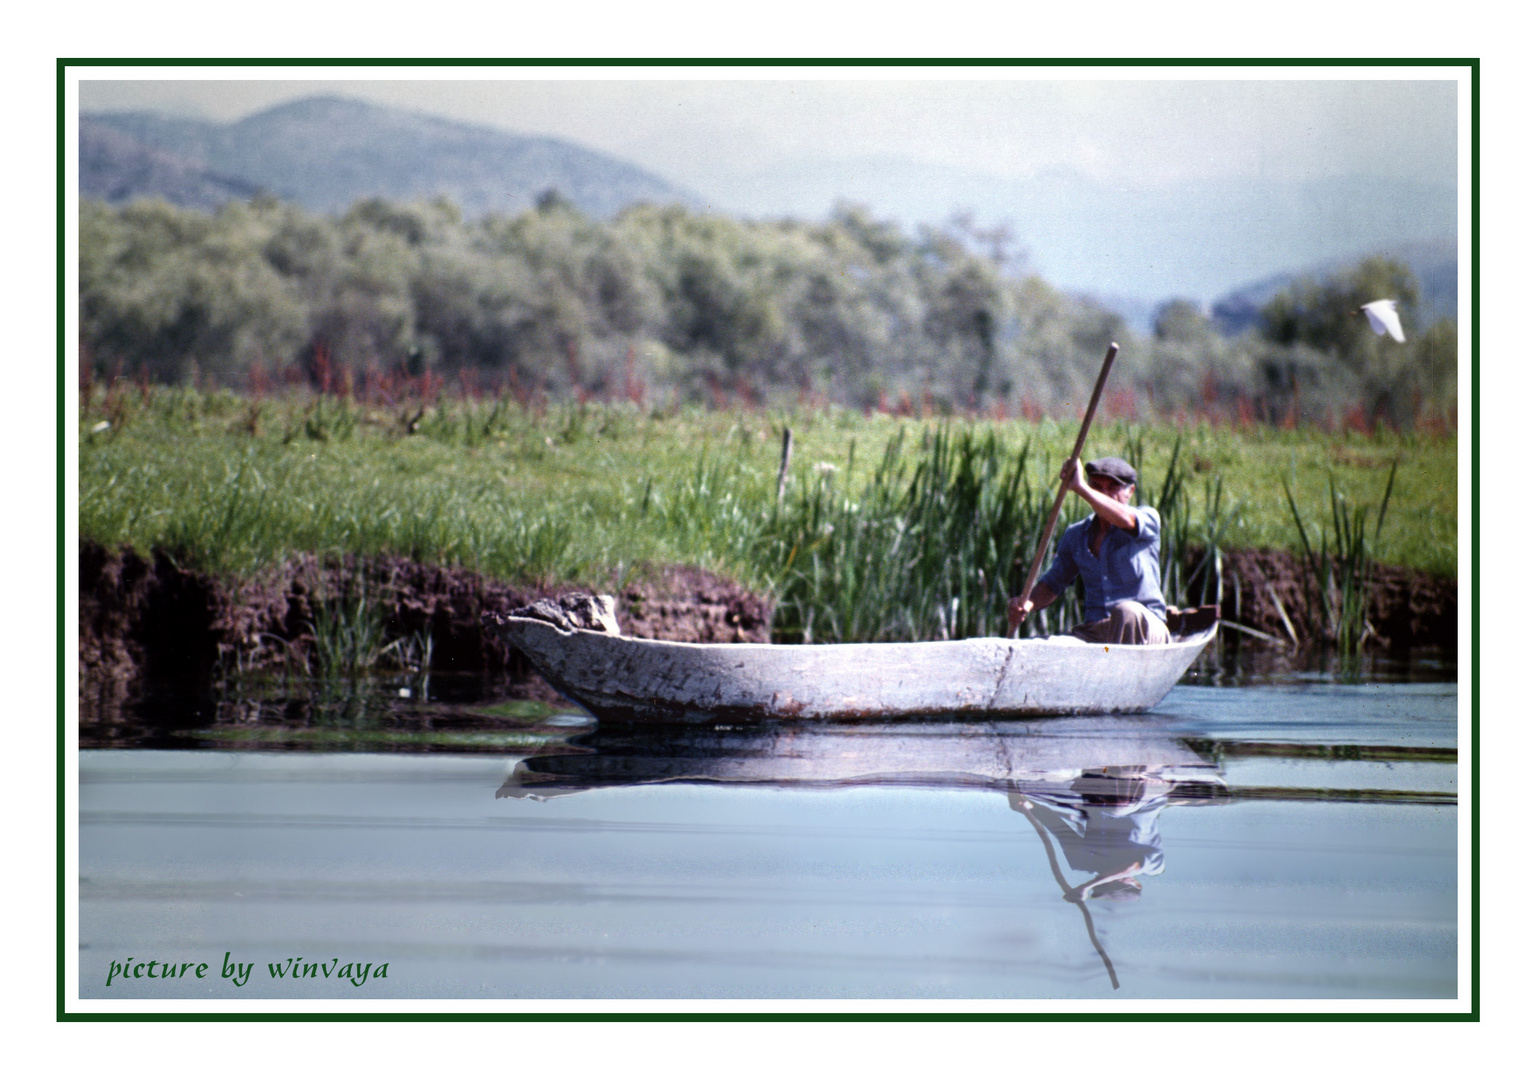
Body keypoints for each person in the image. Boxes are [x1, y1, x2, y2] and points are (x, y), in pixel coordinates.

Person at [1006, 455, 1170, 644]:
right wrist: (1028, 603)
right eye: (1097, 488)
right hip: (1098, 637)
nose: (1104, 494)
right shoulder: (1076, 535)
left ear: (1130, 491)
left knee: (1126, 612)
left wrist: (1081, 488)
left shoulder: (1147, 519)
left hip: (1146, 630)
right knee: (1039, 647)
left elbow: (1127, 520)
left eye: (1113, 488)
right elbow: (1052, 584)